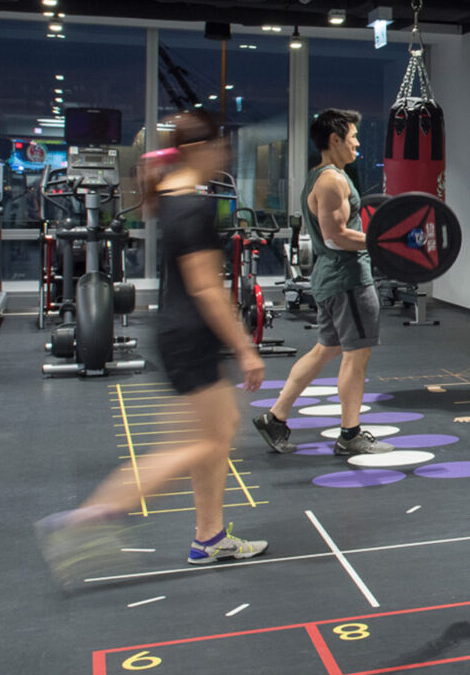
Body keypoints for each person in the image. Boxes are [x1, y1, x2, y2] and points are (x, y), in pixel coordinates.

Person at [36, 111, 268, 579]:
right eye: (220, 148)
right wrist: (245, 348)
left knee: (213, 438)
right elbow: (206, 288)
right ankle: (90, 519)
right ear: (200, 151)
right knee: (203, 443)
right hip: (192, 335)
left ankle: (210, 538)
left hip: (177, 334)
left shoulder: (172, 197)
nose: (223, 156)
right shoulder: (193, 207)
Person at [253, 109, 393, 457]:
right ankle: (350, 435)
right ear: (335, 140)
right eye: (353, 137)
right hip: (347, 279)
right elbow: (336, 236)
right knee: (356, 356)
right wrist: (386, 242)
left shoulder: (321, 176)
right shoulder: (332, 181)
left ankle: (276, 417)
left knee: (325, 349)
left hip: (333, 278)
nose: (358, 143)